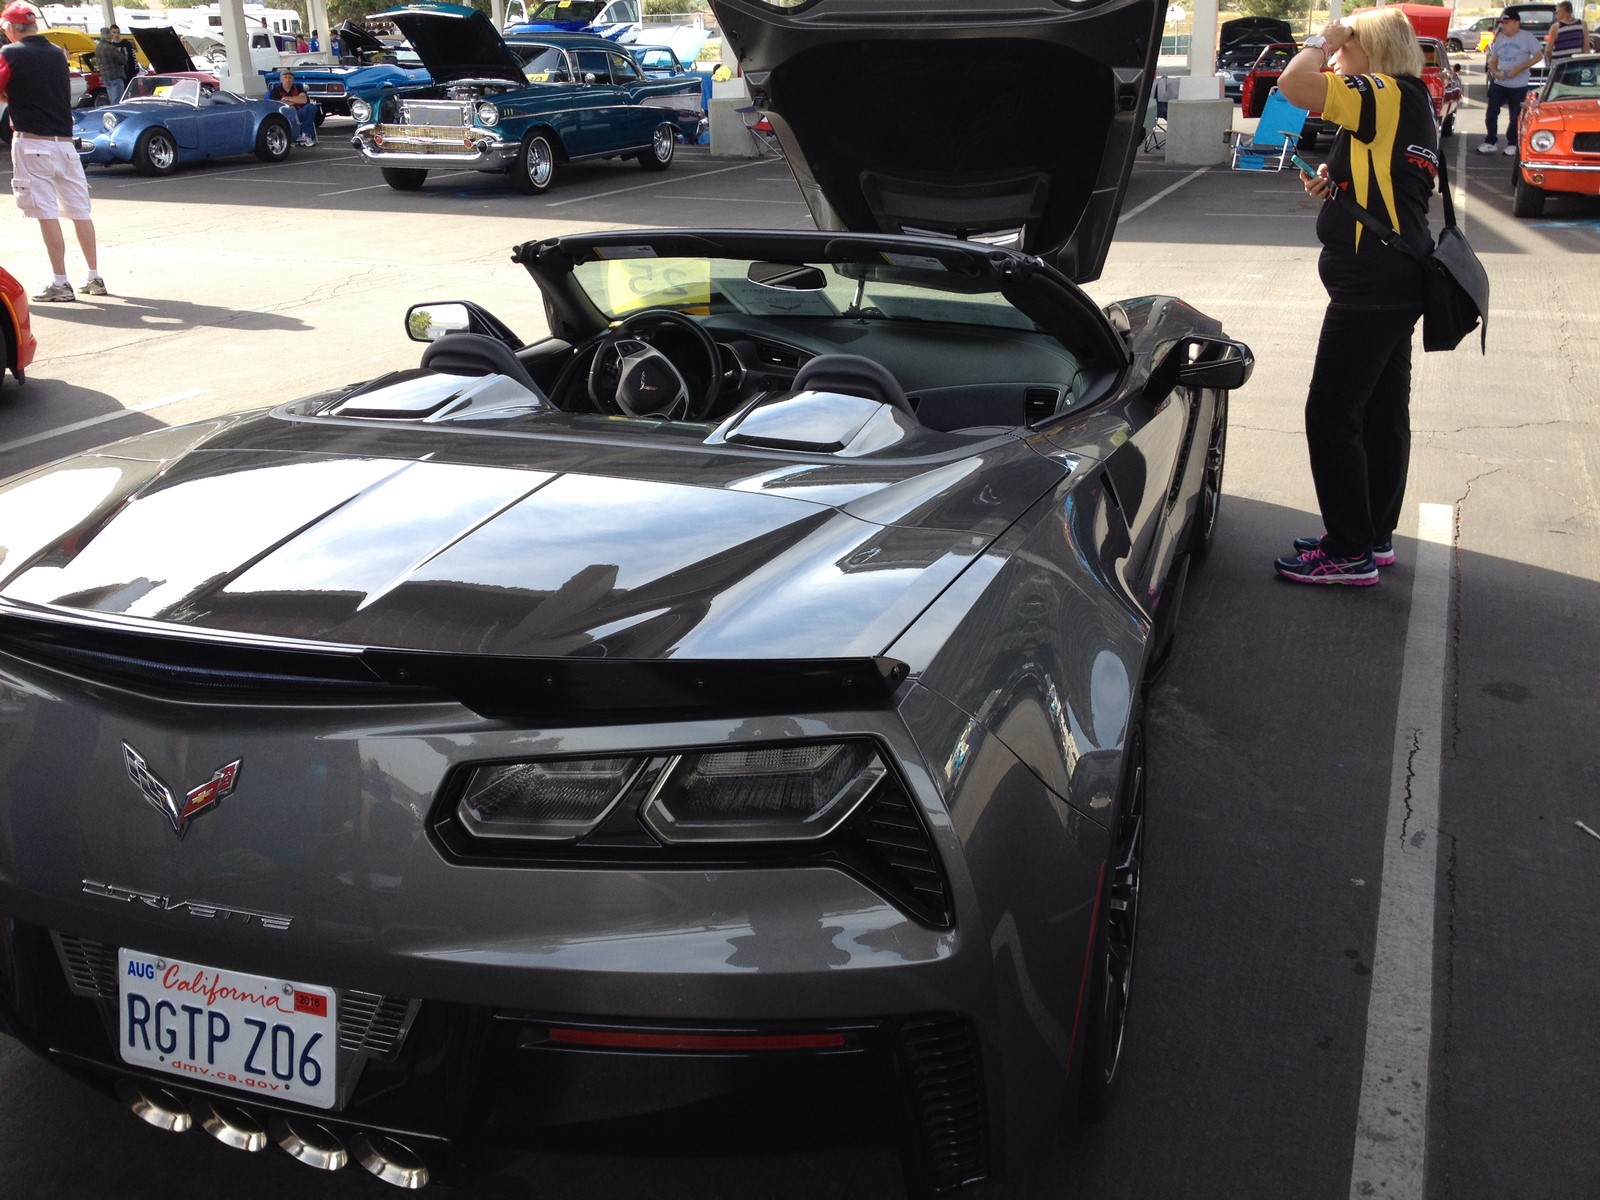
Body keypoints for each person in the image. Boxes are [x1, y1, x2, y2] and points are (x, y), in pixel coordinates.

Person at [1273, 8, 1436, 585]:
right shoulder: (1409, 99)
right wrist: (1333, 187)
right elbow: (1393, 184)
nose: (1338, 59)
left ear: (1373, 50)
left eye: (1347, 48)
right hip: (1395, 275)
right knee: (1382, 410)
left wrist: (1322, 38)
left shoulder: (1379, 90)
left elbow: (1292, 85)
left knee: (1331, 412)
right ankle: (1372, 532)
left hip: (1372, 283)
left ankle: (1347, 551)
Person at [0, 2, 106, 301]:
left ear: (10, 28)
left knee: (46, 212)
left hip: (33, 142)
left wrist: (12, 97)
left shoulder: (10, 53)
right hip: (65, 143)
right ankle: (94, 276)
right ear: (34, 25)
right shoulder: (56, 55)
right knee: (79, 211)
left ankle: (61, 282)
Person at [1479, 10, 1543, 155]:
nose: (1504, 27)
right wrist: (1495, 72)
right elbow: (1493, 59)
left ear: (1516, 23)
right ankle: (1490, 141)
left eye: (1507, 24)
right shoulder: (1500, 38)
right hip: (1500, 83)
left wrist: (1520, 68)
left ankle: (1512, 143)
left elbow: (1539, 56)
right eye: (1502, 24)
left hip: (1518, 85)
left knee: (1515, 115)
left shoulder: (1527, 37)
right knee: (1491, 112)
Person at [268, 68, 316, 147]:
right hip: (284, 115)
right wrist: (296, 100)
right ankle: (296, 136)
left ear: (293, 79)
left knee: (311, 107)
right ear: (281, 79)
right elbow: (277, 104)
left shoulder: (298, 88)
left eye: (290, 78)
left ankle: (305, 135)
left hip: (298, 112)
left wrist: (287, 99)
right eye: (285, 78)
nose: (288, 80)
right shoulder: (276, 90)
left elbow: (304, 100)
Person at [95, 23, 127, 104]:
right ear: (109, 36)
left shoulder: (98, 48)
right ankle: (116, 115)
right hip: (115, 76)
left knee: (112, 97)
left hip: (106, 77)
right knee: (117, 100)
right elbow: (123, 60)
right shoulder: (111, 47)